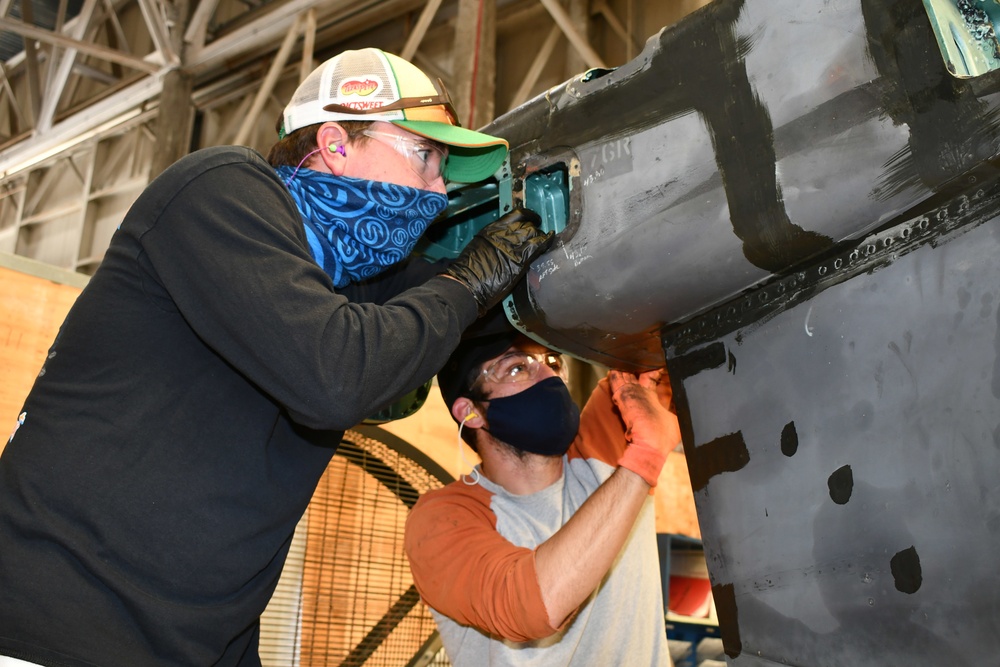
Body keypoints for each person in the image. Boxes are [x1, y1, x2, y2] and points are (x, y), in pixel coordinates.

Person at [0, 48, 551, 667]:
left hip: (202, 645)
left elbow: (427, 342)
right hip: (54, 628)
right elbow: (341, 376)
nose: (438, 187)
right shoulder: (221, 193)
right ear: (337, 143)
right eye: (425, 156)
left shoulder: (351, 283)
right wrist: (468, 281)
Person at [403, 314, 680, 666]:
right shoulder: (441, 518)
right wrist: (644, 459)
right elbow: (528, 608)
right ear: (470, 413)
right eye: (518, 367)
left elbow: (675, 343)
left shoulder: (599, 447)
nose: (550, 376)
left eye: (552, 362)